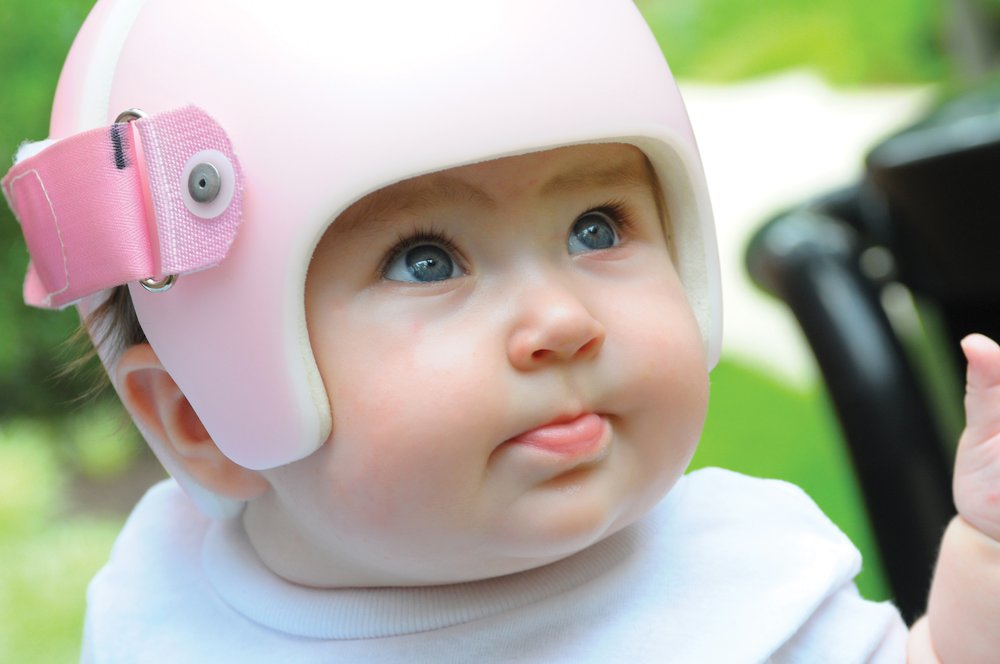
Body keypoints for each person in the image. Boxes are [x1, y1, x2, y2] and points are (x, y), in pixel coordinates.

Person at [2, 0, 998, 661]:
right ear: (203, 418)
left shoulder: (732, 572)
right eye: (426, 258)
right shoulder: (167, 620)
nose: (562, 320)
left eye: (595, 228)